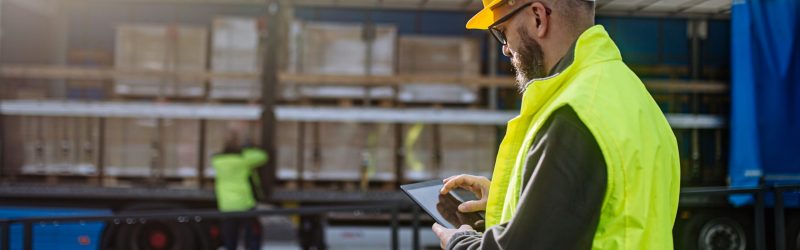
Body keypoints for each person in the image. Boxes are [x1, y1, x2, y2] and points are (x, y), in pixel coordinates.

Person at [432, 0, 680, 249]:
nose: (506, 49)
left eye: (502, 31)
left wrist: (460, 242)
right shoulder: (634, 96)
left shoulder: (572, 116)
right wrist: (506, 196)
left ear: (538, 17)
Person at [213, 130, 268, 250]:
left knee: (230, 240)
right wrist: (248, 148)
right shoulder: (243, 160)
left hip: (226, 206)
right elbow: (262, 156)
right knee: (252, 237)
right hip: (244, 205)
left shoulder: (217, 162)